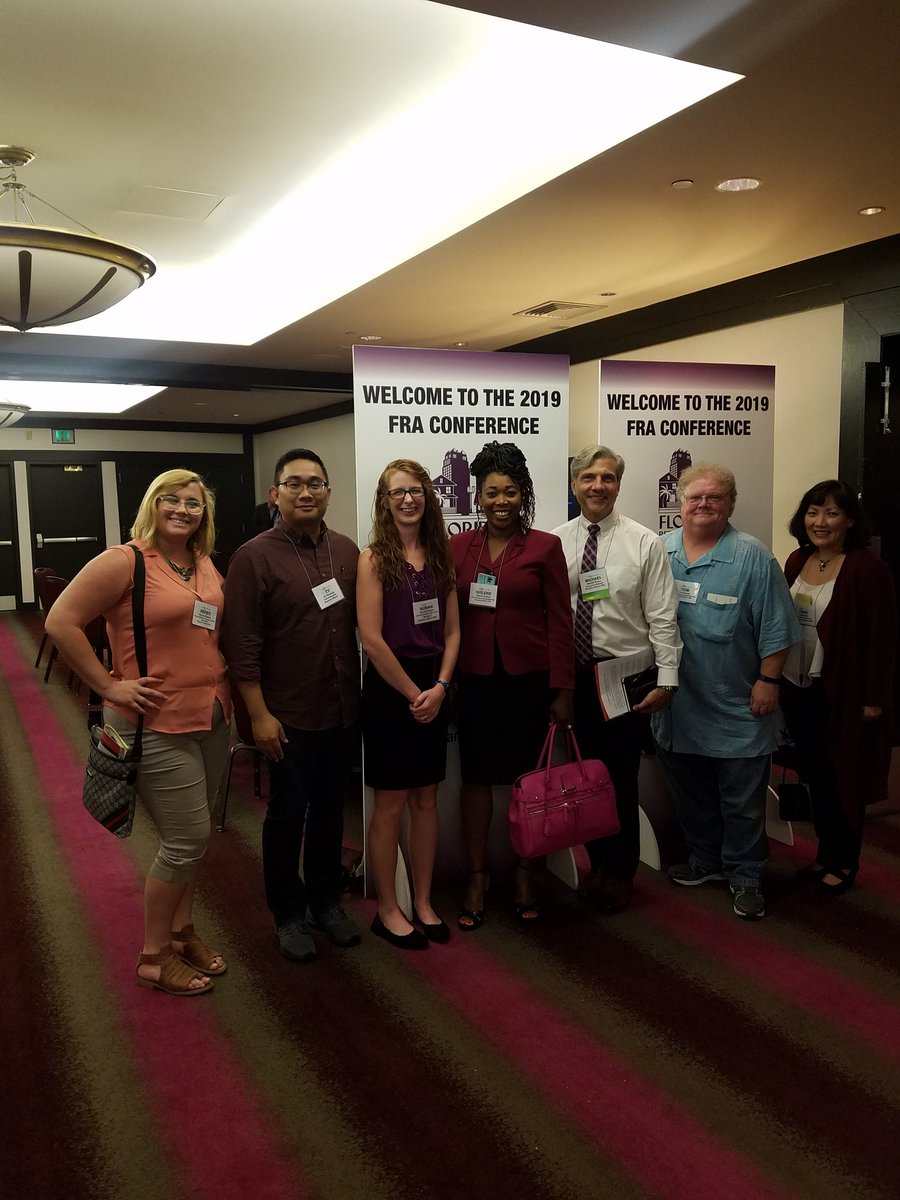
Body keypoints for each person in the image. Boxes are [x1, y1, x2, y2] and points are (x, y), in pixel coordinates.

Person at [46, 469, 232, 995]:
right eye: (171, 499)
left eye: (193, 502)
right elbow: (60, 621)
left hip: (211, 715)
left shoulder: (201, 561)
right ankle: (153, 956)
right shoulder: (124, 560)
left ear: (204, 513)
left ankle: (181, 932)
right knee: (185, 840)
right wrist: (109, 686)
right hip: (154, 721)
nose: (182, 510)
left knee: (193, 838)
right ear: (152, 504)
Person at [221, 449, 361, 961]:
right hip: (287, 716)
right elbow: (242, 645)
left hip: (341, 709)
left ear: (328, 492)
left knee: (330, 811)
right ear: (274, 495)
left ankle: (324, 901)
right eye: (294, 484)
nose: (306, 492)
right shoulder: (253, 557)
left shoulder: (347, 551)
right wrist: (259, 715)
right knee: (287, 815)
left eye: (315, 483)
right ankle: (287, 913)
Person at [652, 464, 800, 920]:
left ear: (730, 504)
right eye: (694, 496)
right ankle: (706, 859)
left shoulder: (753, 558)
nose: (703, 504)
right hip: (677, 706)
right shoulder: (659, 550)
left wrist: (769, 680)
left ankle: (746, 874)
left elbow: (777, 627)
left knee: (742, 802)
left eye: (714, 497)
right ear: (679, 502)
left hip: (738, 707)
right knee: (692, 793)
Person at [553, 445, 681, 914]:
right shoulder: (555, 542)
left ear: (618, 485)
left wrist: (667, 679)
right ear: (574, 485)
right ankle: (597, 864)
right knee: (584, 777)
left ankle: (621, 870)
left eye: (607, 477)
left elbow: (663, 615)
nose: (598, 486)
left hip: (625, 677)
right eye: (589, 477)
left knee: (620, 777)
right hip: (575, 678)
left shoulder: (644, 543)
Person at [451, 441, 575, 928]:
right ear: (478, 497)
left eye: (510, 492)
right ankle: (477, 876)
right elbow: (449, 619)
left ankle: (527, 871)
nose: (501, 501)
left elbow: (561, 622)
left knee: (531, 781)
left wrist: (563, 690)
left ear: (523, 494)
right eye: (491, 493)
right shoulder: (458, 547)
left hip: (529, 683)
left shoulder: (545, 547)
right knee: (476, 779)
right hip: (475, 681)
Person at [357, 460, 460, 949]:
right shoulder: (374, 558)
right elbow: (372, 640)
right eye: (397, 492)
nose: (407, 499)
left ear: (427, 497)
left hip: (434, 688)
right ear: (384, 501)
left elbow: (454, 632)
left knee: (426, 799)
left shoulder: (440, 555)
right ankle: (386, 909)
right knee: (391, 803)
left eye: (416, 490)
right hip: (389, 691)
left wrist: (440, 687)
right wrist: (412, 693)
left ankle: (422, 901)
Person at [780, 480, 896, 893]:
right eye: (813, 512)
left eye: (831, 513)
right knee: (817, 776)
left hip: (844, 693)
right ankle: (825, 855)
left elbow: (883, 639)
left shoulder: (867, 569)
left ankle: (845, 862)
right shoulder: (798, 560)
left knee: (845, 778)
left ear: (849, 520)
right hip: (800, 688)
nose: (820, 521)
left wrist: (874, 699)